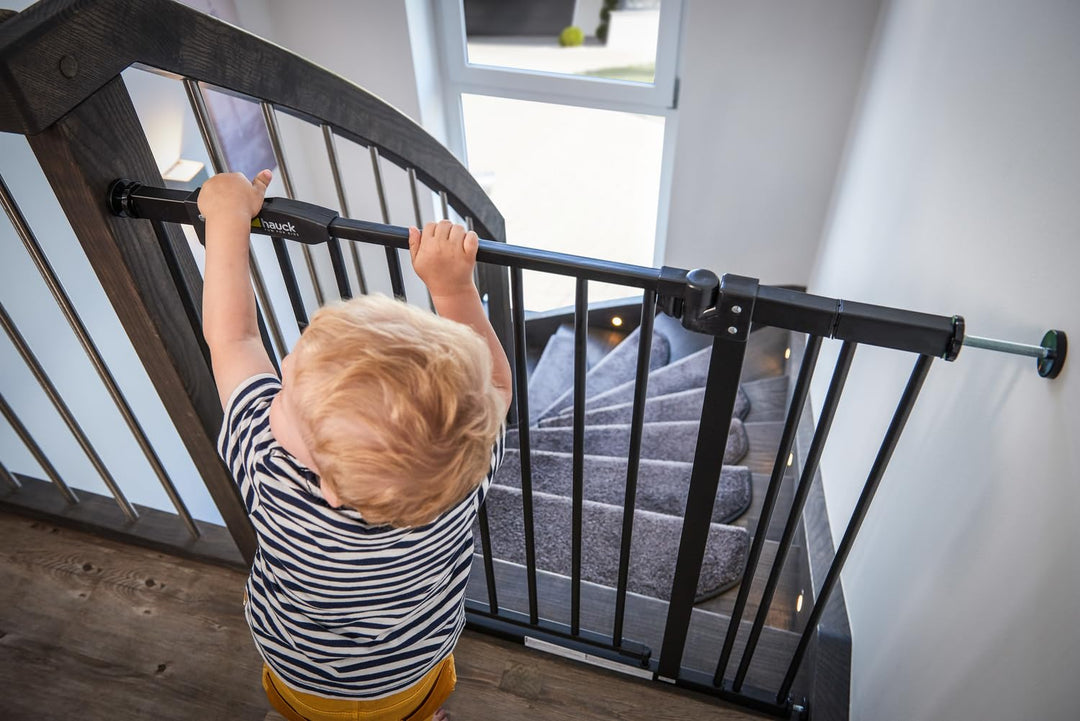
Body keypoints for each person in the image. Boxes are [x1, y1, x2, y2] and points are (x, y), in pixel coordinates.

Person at [198, 169, 512, 721]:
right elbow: (498, 388)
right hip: (414, 674)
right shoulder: (460, 473)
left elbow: (234, 337)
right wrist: (454, 288)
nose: (283, 365)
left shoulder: (272, 474)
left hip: (300, 680)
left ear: (330, 486)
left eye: (288, 387)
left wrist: (226, 218)